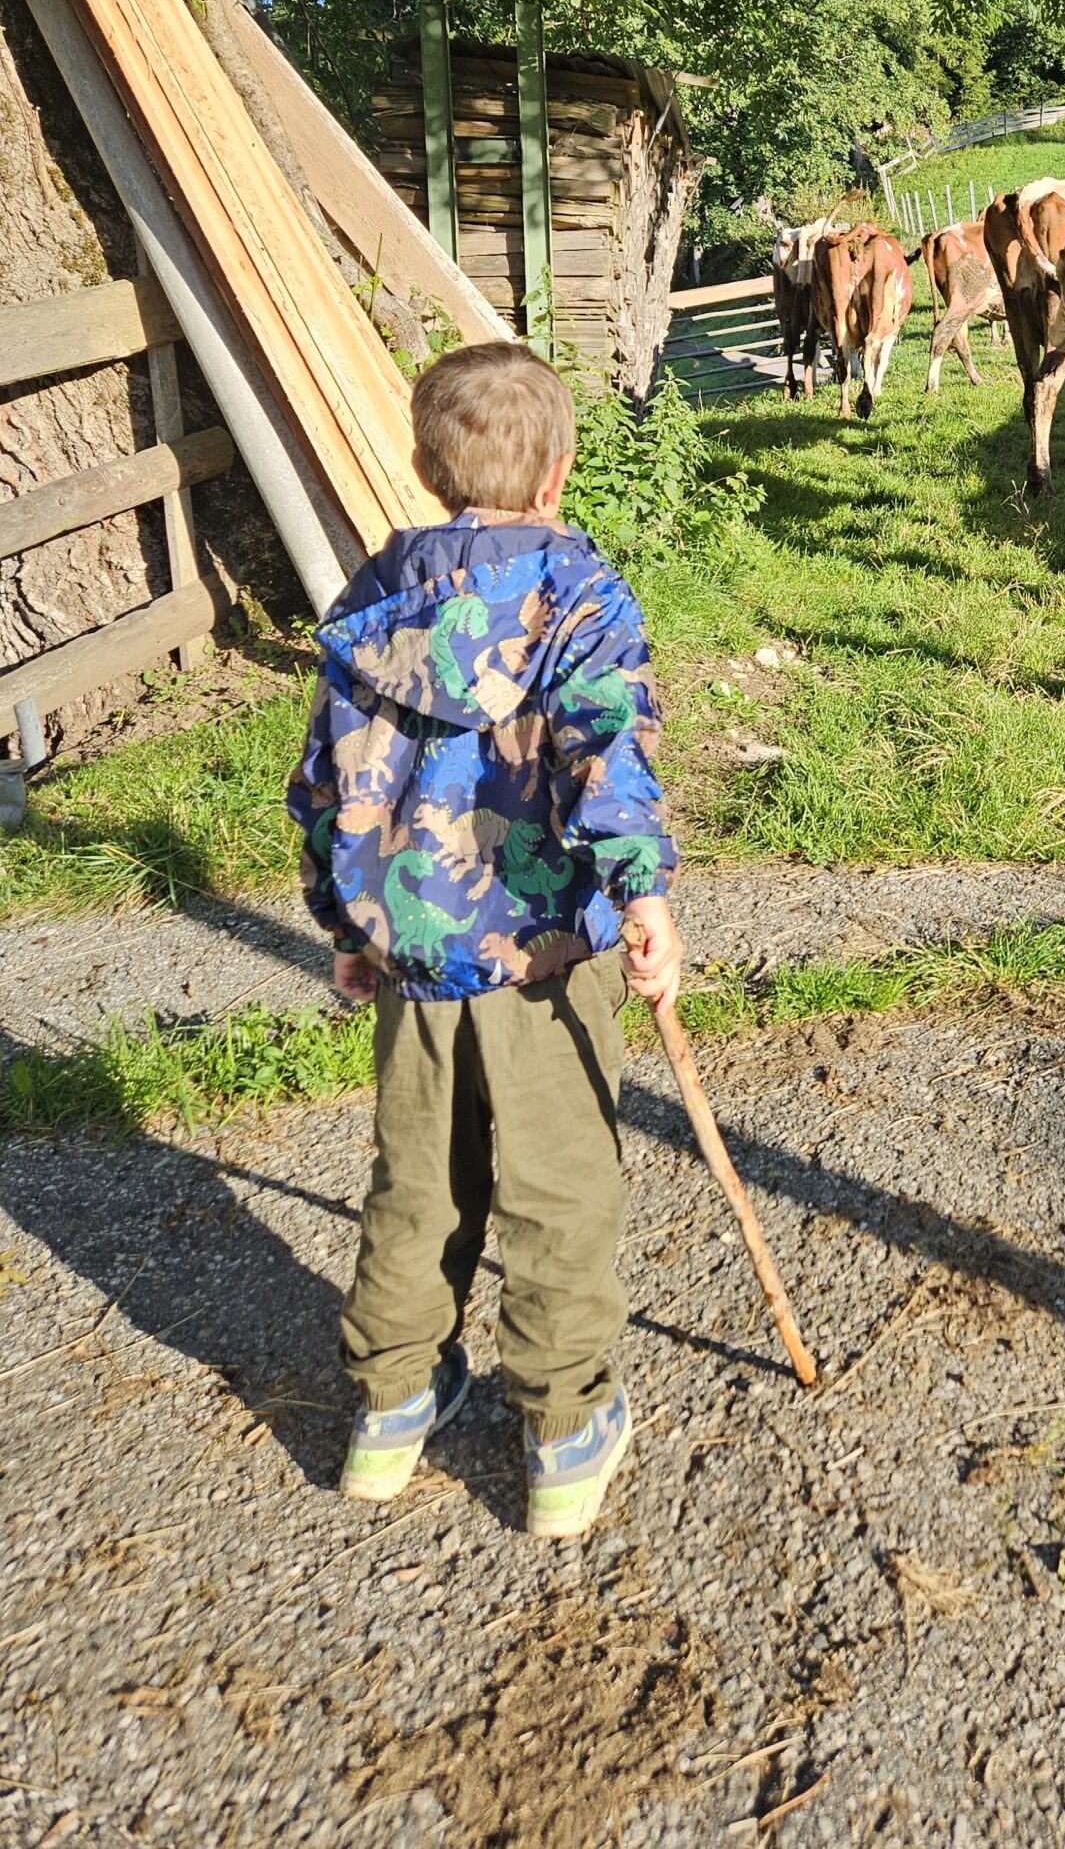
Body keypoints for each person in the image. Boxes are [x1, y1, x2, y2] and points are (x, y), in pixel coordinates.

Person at [286, 341, 684, 1538]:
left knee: (418, 1176)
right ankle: (562, 1429)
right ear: (559, 474)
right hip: (547, 954)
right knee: (559, 1183)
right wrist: (644, 897)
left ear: (424, 470)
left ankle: (390, 1407)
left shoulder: (374, 602)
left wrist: (347, 918)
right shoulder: (581, 596)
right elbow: (609, 755)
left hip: (413, 949)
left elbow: (330, 782)